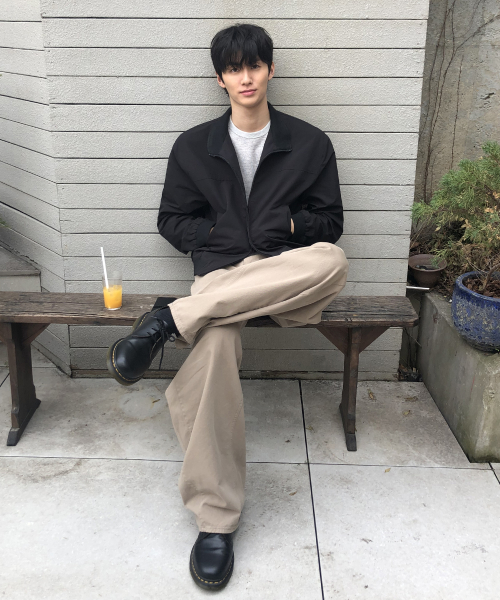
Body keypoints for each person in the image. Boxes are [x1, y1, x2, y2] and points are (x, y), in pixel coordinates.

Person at [107, 23, 349, 592]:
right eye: (234, 68)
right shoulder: (194, 146)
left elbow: (331, 223)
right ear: (220, 78)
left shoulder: (310, 142)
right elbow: (171, 220)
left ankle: (169, 319)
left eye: (254, 65)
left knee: (333, 261)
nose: (246, 77)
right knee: (215, 345)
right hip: (221, 278)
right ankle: (216, 520)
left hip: (284, 279)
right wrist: (219, 233)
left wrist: (287, 224)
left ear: (270, 70)